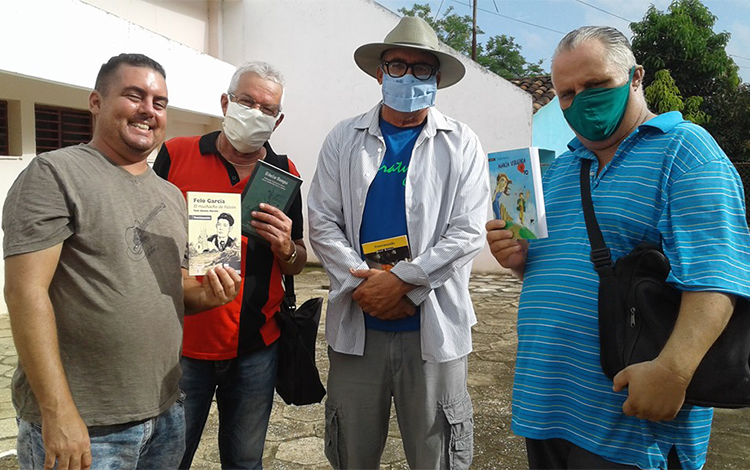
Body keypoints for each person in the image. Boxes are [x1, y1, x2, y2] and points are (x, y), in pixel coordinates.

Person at [486, 26, 750, 470]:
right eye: (566, 93)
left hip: (631, 420)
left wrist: (674, 370)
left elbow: (717, 275)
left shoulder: (686, 152)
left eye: (595, 85)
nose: (580, 101)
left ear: (635, 76)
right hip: (546, 405)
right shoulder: (561, 168)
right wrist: (516, 261)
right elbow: (555, 271)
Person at [2, 53, 241, 470]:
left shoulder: (169, 195)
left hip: (165, 413)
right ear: (96, 101)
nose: (149, 110)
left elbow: (177, 292)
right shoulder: (54, 174)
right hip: (86, 425)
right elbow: (24, 292)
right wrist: (58, 413)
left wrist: (212, 294)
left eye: (160, 102)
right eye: (134, 96)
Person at [308, 16, 489, 470]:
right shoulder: (343, 138)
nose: (408, 76)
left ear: (438, 79)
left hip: (434, 329)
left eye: (421, 68)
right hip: (359, 323)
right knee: (352, 450)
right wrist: (366, 285)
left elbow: (467, 232)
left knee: (437, 456)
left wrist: (404, 282)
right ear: (378, 73)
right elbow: (323, 222)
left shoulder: (462, 143)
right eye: (396, 65)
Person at [153, 60, 307, 470]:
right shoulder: (175, 154)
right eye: (246, 101)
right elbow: (148, 237)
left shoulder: (285, 174)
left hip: (256, 347)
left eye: (267, 108)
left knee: (244, 461)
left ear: (278, 120)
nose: (256, 113)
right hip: (184, 345)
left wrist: (286, 247)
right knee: (169, 459)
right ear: (225, 102)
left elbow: (297, 260)